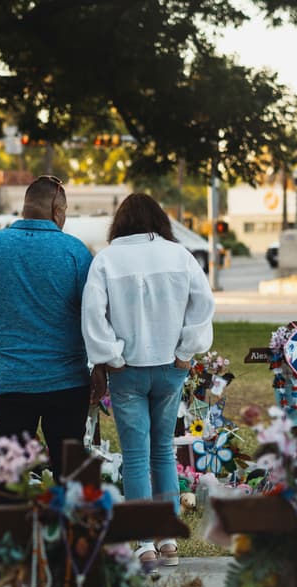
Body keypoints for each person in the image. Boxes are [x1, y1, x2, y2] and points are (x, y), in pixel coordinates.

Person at [82, 193, 215, 567]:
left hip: (128, 371)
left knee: (137, 456)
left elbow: (93, 313)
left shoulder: (106, 260)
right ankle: (168, 538)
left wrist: (111, 357)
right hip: (171, 366)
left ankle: (143, 543)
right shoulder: (180, 255)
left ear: (119, 223)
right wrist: (186, 352)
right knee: (163, 453)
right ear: (159, 219)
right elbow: (204, 305)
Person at [0, 176, 95, 484]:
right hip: (66, 381)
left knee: (11, 475)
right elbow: (95, 311)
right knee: (68, 475)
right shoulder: (75, 251)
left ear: (25, 207)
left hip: (11, 381)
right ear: (57, 210)